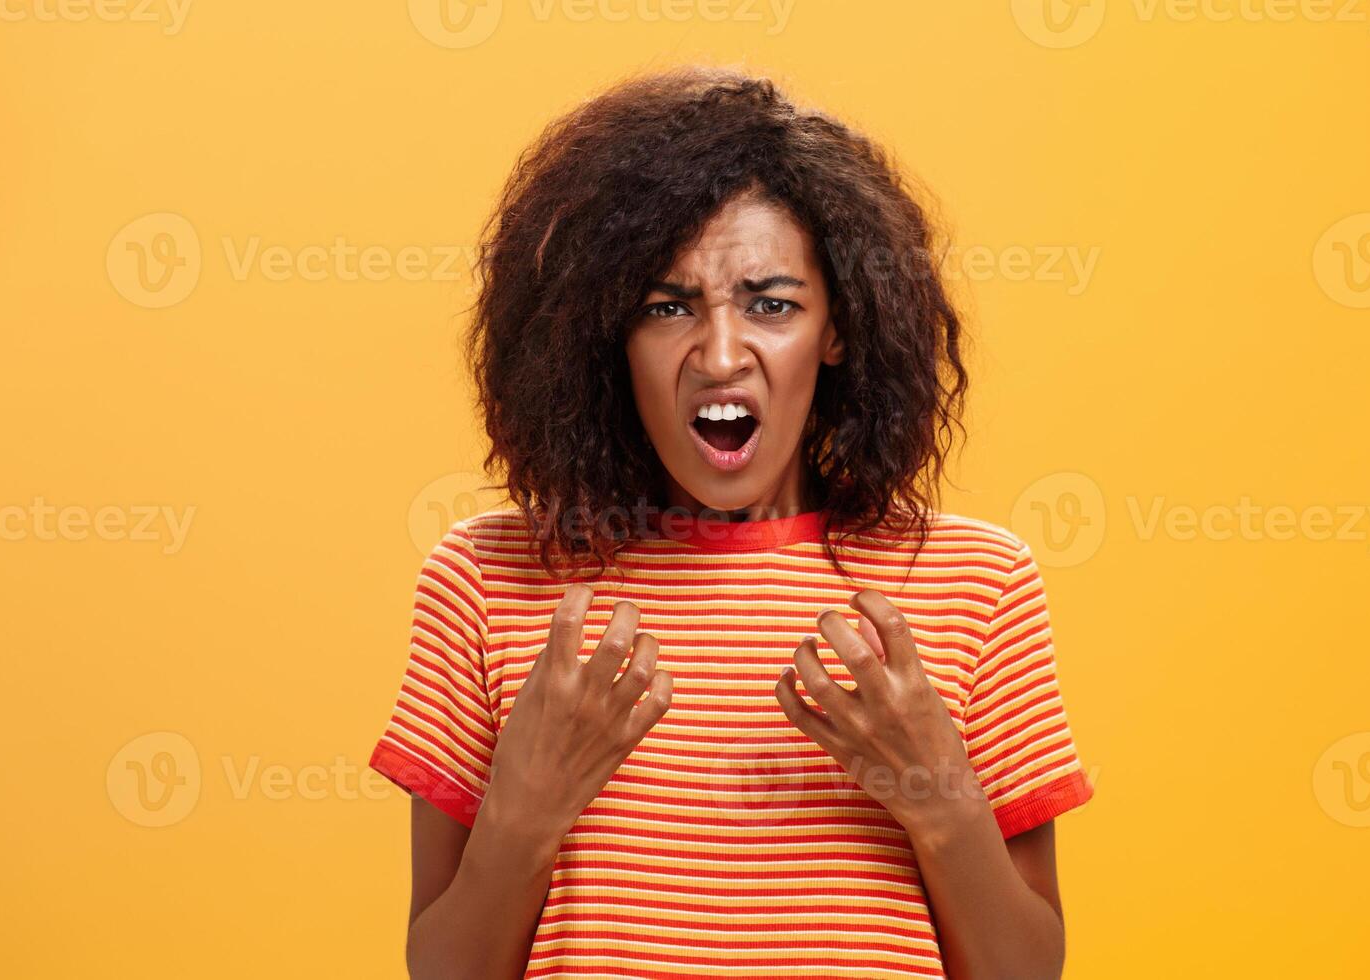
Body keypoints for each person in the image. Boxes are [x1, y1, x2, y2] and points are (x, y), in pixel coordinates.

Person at [371, 66, 1092, 979]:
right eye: (667, 307)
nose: (719, 355)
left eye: (772, 304)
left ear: (838, 328)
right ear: (606, 334)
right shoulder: (487, 580)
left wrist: (934, 784)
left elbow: (1025, 970)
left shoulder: (974, 583)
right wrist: (529, 803)